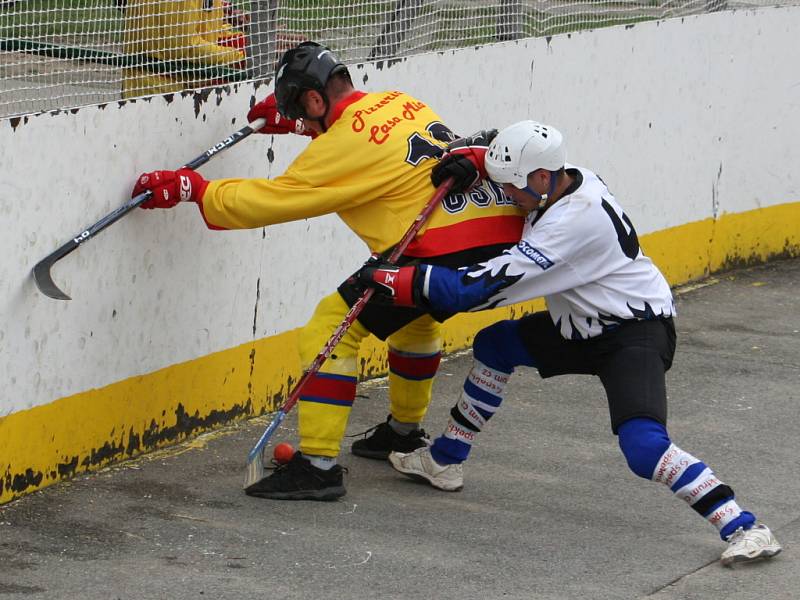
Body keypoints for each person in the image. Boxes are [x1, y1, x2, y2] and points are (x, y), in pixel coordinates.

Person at [356, 120, 782, 565]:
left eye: (512, 187)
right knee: (496, 345)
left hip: (633, 333)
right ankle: (445, 459)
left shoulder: (568, 226)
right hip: (580, 323)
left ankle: (747, 526)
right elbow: (504, 163)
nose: (507, 196)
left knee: (643, 446)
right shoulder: (570, 176)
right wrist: (474, 161)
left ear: (542, 179)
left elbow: (472, 290)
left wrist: (394, 278)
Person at [130, 41, 526, 501]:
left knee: (326, 331)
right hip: (495, 235)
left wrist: (193, 191)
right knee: (413, 321)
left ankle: (317, 467)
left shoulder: (339, 146)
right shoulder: (399, 101)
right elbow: (373, 144)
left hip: (436, 250)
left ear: (315, 100)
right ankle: (403, 433)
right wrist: (304, 126)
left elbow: (274, 200)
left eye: (303, 108)